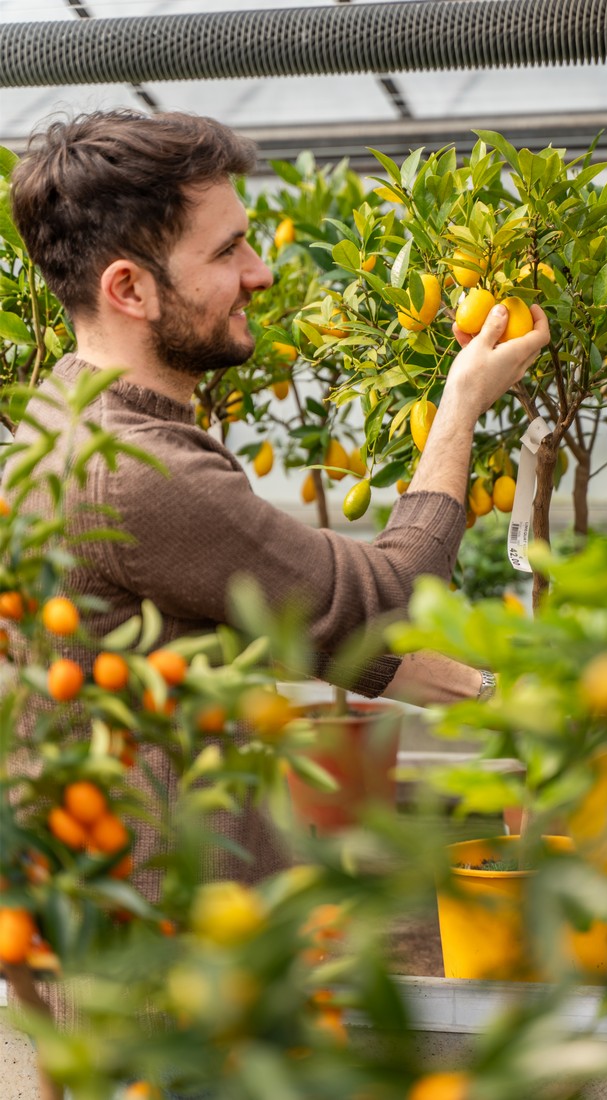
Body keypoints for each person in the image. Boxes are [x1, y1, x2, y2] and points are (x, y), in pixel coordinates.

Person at [3, 109, 549, 898]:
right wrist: (461, 406)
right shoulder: (138, 473)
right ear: (129, 288)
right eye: (227, 251)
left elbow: (275, 613)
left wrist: (489, 696)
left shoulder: (65, 410)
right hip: (173, 959)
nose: (260, 273)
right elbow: (385, 598)